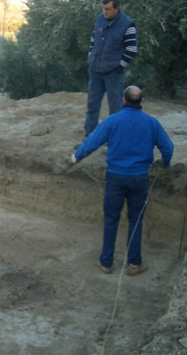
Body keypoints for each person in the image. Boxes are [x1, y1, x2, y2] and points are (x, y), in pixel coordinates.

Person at [71, 85, 173, 276]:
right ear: (141, 102)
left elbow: (92, 142)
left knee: (111, 218)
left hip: (115, 178)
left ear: (124, 100)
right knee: (135, 220)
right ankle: (134, 264)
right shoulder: (151, 123)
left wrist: (76, 157)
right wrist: (165, 164)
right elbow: (168, 148)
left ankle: (106, 263)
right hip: (139, 179)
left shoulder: (112, 121)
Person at [83, 0, 137, 139]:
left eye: (108, 9)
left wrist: (119, 67)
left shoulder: (127, 24)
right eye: (103, 8)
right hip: (95, 70)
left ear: (117, 8)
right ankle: (90, 137)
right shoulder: (100, 19)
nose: (104, 12)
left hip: (113, 73)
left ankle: (115, 140)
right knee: (92, 105)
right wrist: (91, 56)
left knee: (116, 109)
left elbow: (132, 50)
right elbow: (94, 39)